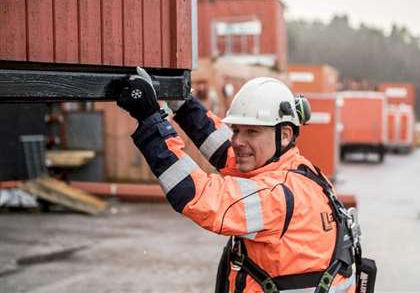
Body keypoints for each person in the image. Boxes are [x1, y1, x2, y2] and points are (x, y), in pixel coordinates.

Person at [116, 67, 358, 293]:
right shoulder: (298, 171)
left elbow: (196, 194)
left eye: (251, 131)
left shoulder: (276, 196)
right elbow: (226, 152)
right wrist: (183, 103)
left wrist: (150, 119)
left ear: (284, 135)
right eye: (236, 130)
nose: (238, 141)